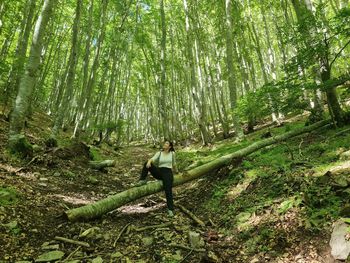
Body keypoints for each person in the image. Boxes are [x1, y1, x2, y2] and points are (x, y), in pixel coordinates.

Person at [136, 140, 178, 217]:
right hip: (159, 172)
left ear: (170, 146)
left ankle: (170, 209)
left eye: (167, 143)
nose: (165, 144)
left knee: (168, 189)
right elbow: (152, 159)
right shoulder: (159, 153)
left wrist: (177, 172)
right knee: (146, 163)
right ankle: (142, 180)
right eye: (164, 143)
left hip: (168, 172)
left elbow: (174, 164)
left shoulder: (172, 153)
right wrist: (149, 161)